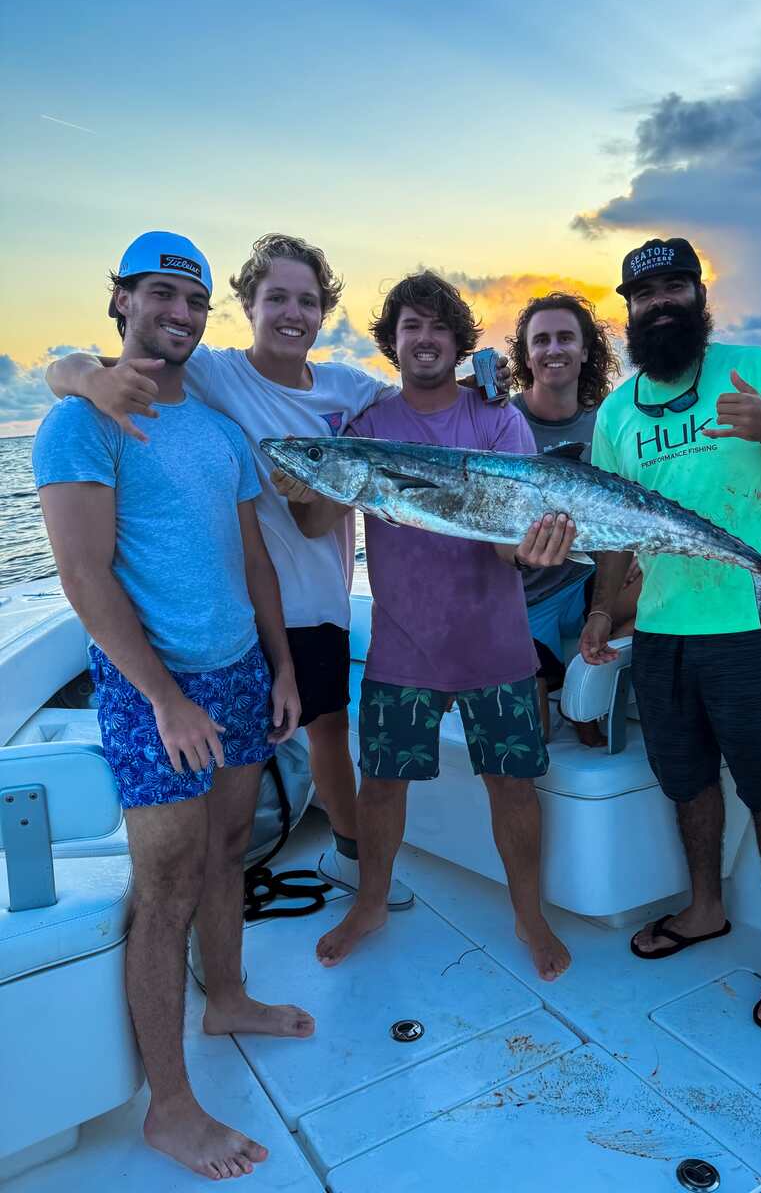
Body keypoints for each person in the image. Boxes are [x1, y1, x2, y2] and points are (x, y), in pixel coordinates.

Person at [47, 235, 509, 915]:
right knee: (233, 751)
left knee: (323, 728)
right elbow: (81, 368)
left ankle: (346, 855)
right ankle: (207, 887)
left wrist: (487, 383)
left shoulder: (347, 387)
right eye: (277, 299)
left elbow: (421, 400)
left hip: (318, 599)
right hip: (237, 605)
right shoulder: (214, 372)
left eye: (309, 301)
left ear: (324, 312)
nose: (293, 313)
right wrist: (88, 380)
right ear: (248, 305)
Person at [33, 232, 311, 1181]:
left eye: (194, 299)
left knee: (231, 849)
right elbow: (80, 577)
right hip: (152, 687)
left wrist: (280, 668)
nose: (180, 314)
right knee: (166, 888)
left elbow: (256, 559)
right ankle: (171, 1106)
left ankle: (227, 995)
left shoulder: (223, 433)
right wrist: (163, 698)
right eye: (161, 294)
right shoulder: (83, 420)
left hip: (239, 672)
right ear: (121, 301)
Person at [278, 271, 574, 981]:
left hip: (496, 643)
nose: (426, 339)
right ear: (393, 341)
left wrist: (536, 546)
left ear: (459, 340)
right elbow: (319, 518)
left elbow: (510, 540)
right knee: (380, 785)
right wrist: (305, 479)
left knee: (511, 784)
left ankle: (529, 914)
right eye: (411, 326)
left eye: (439, 326)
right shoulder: (369, 427)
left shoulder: (497, 420)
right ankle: (372, 901)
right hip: (403, 646)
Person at [580, 237, 761, 1034]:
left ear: (699, 293)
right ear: (626, 309)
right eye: (643, 293)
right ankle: (705, 909)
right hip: (660, 634)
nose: (659, 303)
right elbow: (613, 525)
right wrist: (598, 610)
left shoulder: (752, 368)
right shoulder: (618, 411)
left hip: (752, 635)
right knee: (685, 783)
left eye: (673, 287)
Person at [507, 291, 640, 746]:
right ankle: (563, 685)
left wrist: (636, 552)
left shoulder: (606, 423)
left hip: (585, 582)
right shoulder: (501, 421)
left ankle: (589, 672)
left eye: (566, 338)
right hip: (520, 600)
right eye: (540, 340)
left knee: (670, 582)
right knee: (533, 741)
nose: (554, 349)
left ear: (586, 350)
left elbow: (628, 508)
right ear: (527, 355)